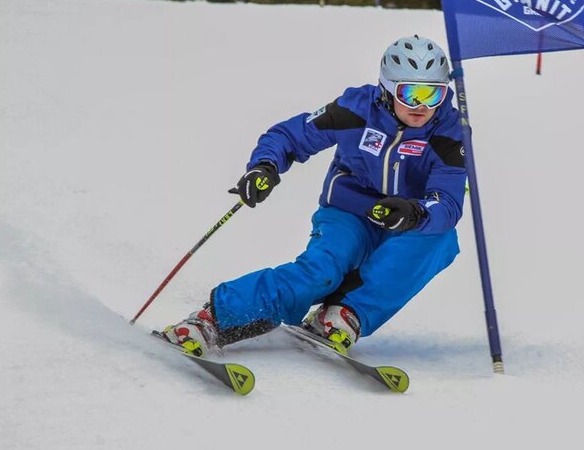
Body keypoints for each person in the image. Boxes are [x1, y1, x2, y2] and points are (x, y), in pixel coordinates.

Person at [161, 35, 466, 356]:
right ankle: (211, 320)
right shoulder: (357, 110)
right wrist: (264, 166)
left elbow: (447, 202)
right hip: (349, 212)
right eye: (410, 93)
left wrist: (415, 212)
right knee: (320, 273)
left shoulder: (450, 133)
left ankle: (344, 314)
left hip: (407, 221)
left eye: (433, 94)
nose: (422, 106)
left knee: (442, 239)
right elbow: (291, 134)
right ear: (387, 88)